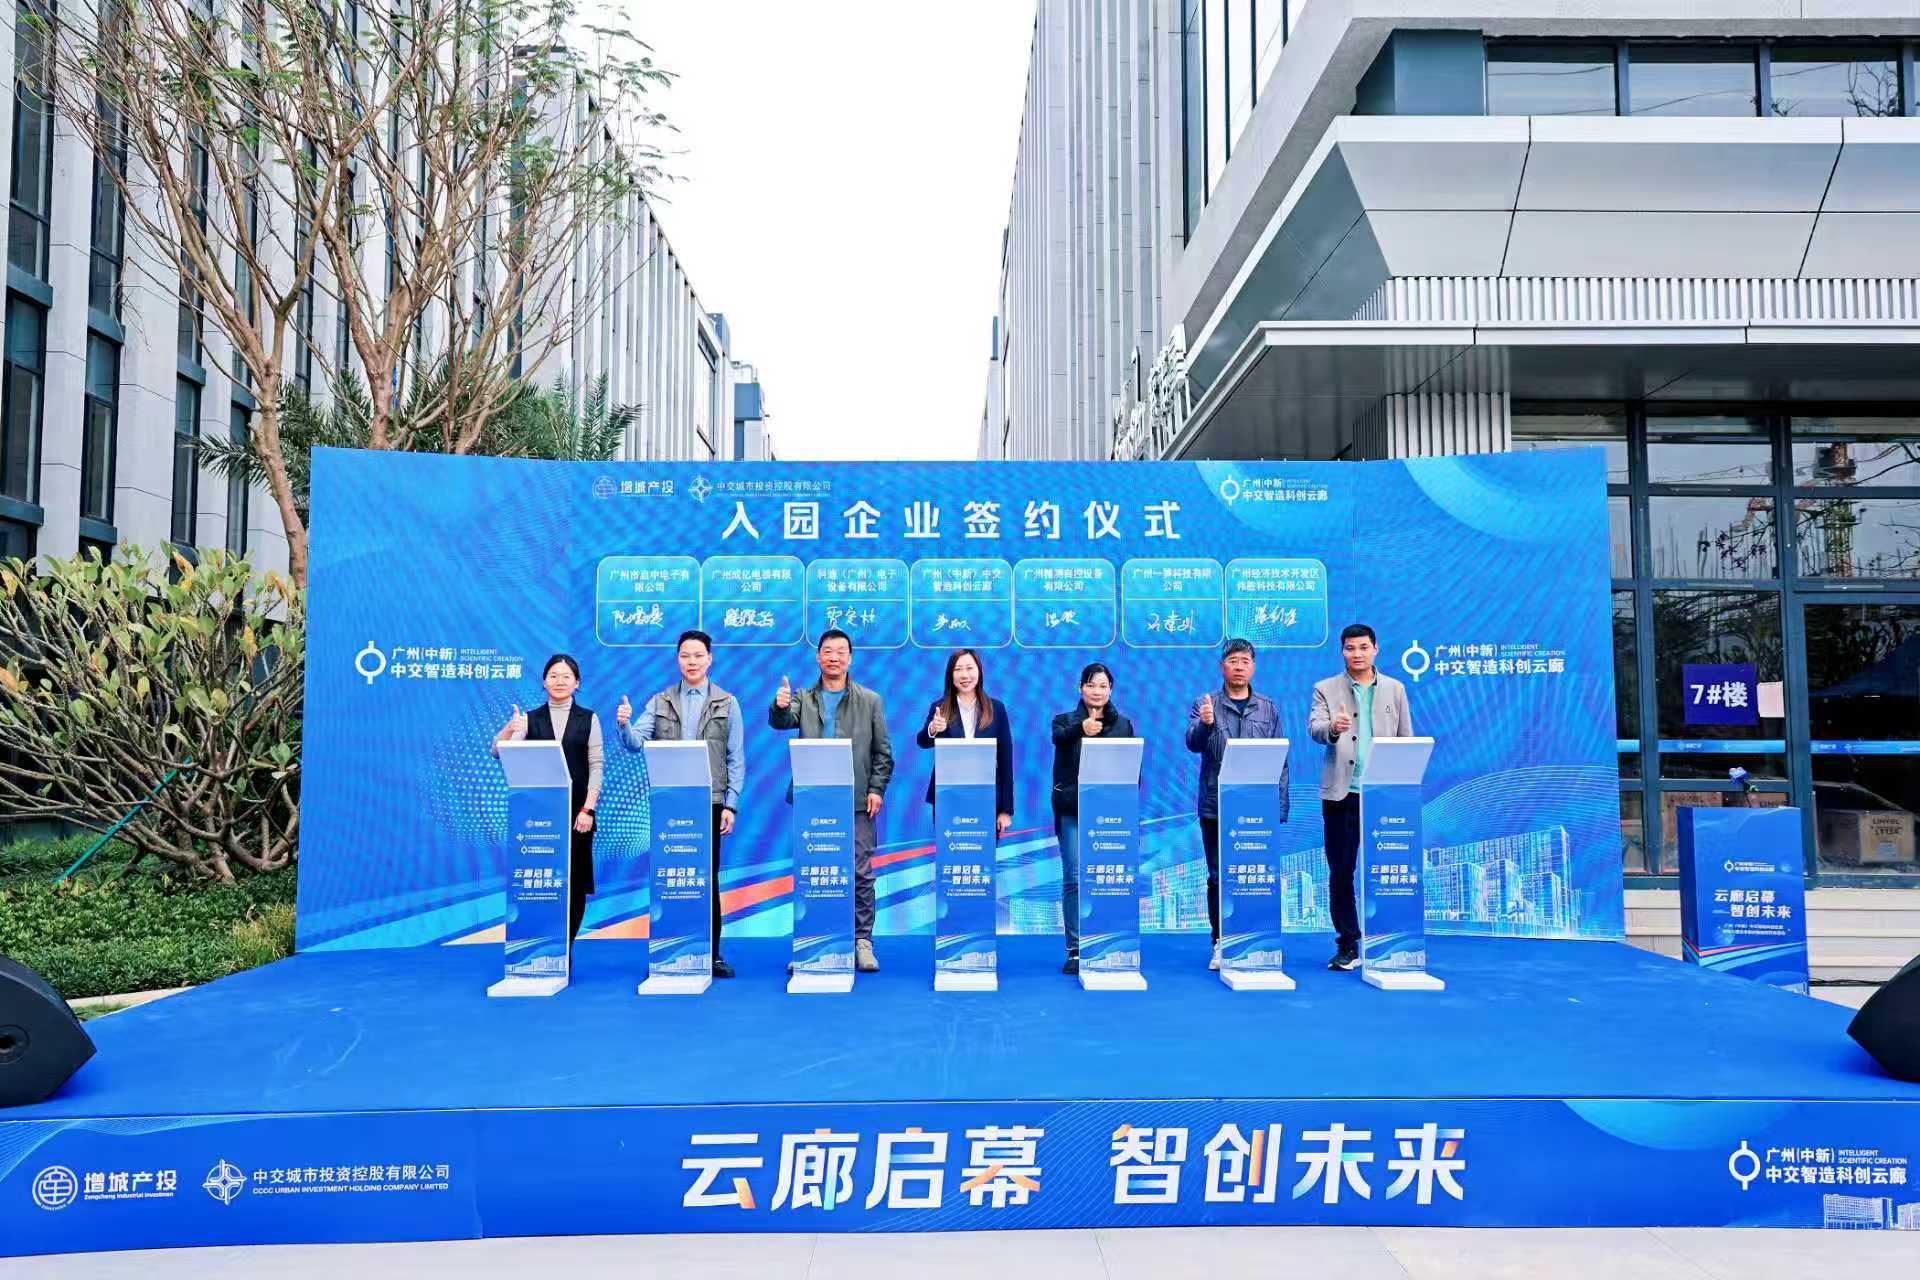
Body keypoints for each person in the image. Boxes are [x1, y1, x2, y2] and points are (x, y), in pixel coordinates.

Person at [617, 629, 745, 979]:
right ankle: (667, 949)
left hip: (710, 801)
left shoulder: (727, 703)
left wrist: (731, 805)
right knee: (670, 876)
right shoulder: (660, 701)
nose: (692, 661)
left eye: (698, 655)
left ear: (709, 659)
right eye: (686, 655)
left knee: (706, 877)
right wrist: (624, 724)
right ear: (677, 660)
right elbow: (635, 743)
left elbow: (736, 758)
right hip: (670, 802)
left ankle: (711, 953)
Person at [768, 628, 894, 972]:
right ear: (818, 656)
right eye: (827, 651)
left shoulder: (870, 700)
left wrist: (876, 789)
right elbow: (782, 721)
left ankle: (862, 942)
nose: (834, 657)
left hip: (856, 799)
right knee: (815, 871)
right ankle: (812, 942)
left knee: (860, 872)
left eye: (840, 651)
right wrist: (779, 706)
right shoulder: (803, 697)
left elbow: (883, 752)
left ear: (849, 658)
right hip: (813, 800)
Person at [1309, 622, 1413, 973]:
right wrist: (1333, 729)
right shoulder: (1325, 688)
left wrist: (1401, 788)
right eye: (1350, 648)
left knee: (1389, 869)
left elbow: (1406, 740)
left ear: (1375, 649)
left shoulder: (1396, 689)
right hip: (1341, 795)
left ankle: (1391, 940)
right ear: (1342, 651)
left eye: (1363, 647)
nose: (1357, 654)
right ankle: (1348, 945)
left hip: (1384, 795)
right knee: (1341, 871)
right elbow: (1315, 729)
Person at [1185, 637, 1289, 971]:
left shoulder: (1268, 708)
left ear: (1253, 666)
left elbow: (1281, 759)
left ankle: (1254, 939)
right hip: (1216, 805)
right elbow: (1193, 743)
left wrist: (1278, 807)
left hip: (1257, 808)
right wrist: (1205, 723)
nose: (1239, 667)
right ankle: (1221, 941)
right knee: (1219, 876)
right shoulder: (1206, 704)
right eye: (1233, 661)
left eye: (1245, 661)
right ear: (1222, 667)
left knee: (1255, 875)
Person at [493, 654, 603, 942]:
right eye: (553, 676)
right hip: (538, 816)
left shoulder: (588, 718)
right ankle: (543, 943)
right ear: (544, 681)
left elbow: (596, 765)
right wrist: (511, 728)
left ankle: (565, 947)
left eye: (566, 676)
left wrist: (588, 809)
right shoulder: (530, 718)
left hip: (578, 813)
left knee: (575, 883)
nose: (559, 681)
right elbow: (499, 752)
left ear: (577, 683)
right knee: (541, 881)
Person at [1049, 662, 1134, 976]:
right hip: (1072, 808)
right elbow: (1059, 738)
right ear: (1080, 688)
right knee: (1074, 876)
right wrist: (1081, 729)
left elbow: (1132, 768)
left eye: (1103, 686)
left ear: (1110, 690)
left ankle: (1109, 941)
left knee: (1108, 876)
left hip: (1110, 813)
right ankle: (1075, 949)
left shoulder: (1123, 725)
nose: (1097, 691)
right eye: (1091, 685)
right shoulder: (1064, 721)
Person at [913, 648, 1015, 833]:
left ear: (979, 671)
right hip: (948, 797)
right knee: (950, 850)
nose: (965, 675)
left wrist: (1006, 810)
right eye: (958, 669)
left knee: (983, 851)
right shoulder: (940, 707)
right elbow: (922, 741)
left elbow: (1005, 760)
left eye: (969, 668)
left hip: (987, 797)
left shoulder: (996, 708)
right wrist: (933, 728)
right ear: (950, 675)